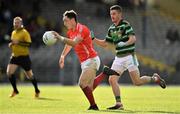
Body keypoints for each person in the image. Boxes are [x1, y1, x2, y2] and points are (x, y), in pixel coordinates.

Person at [91, 5, 166, 110]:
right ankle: (119, 104)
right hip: (119, 58)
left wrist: (124, 44)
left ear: (120, 14)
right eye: (111, 14)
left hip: (129, 56)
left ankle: (155, 78)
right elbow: (105, 43)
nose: (112, 16)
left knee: (137, 82)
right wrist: (93, 39)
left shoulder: (126, 25)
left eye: (114, 14)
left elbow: (133, 39)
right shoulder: (111, 28)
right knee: (112, 79)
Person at [52, 10, 119, 110]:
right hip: (85, 62)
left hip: (91, 59)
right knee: (89, 89)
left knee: (82, 83)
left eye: (65, 21)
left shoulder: (82, 29)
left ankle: (94, 106)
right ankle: (105, 73)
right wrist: (62, 56)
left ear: (72, 20)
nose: (64, 23)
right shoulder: (71, 31)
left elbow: (74, 43)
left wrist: (60, 37)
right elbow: (69, 44)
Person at [7, 16, 40, 98]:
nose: (16, 24)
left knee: (29, 76)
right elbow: (14, 42)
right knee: (9, 72)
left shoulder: (25, 32)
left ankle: (37, 90)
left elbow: (29, 44)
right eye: (15, 22)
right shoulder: (13, 32)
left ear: (21, 24)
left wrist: (19, 42)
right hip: (15, 56)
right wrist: (11, 44)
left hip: (24, 57)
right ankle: (15, 90)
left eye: (18, 22)